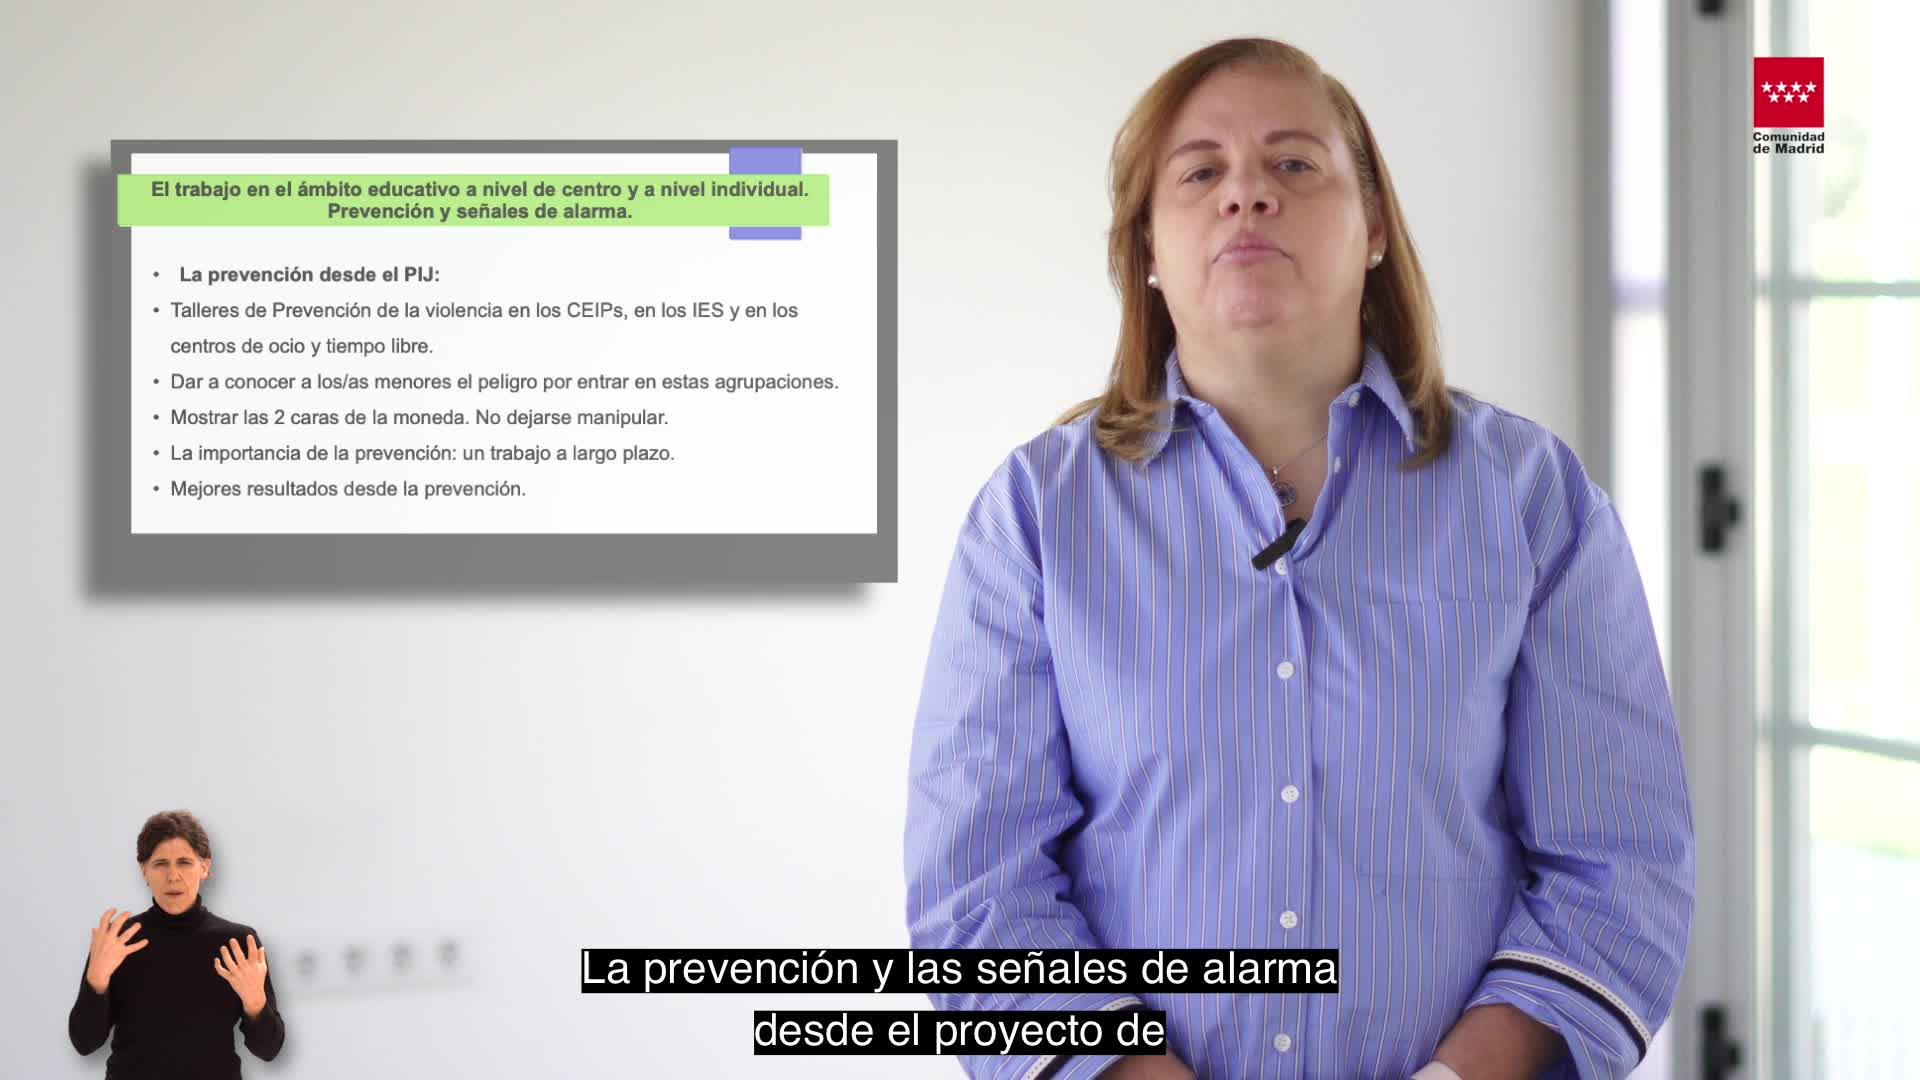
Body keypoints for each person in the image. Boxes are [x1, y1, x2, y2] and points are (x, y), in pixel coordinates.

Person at [903, 36, 1694, 1080]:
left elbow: (1619, 866)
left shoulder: (1531, 499)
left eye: (1293, 163)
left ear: (1374, 226)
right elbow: (979, 892)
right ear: (1146, 248)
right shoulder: (1033, 518)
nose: (1248, 195)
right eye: (1200, 174)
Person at [68, 809, 287, 1078]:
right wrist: (96, 981)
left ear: (204, 867)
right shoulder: (118, 941)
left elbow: (269, 1049)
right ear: (144, 870)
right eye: (161, 863)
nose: (173, 876)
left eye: (184, 862)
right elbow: (84, 1042)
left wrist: (255, 1003)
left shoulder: (236, 943)